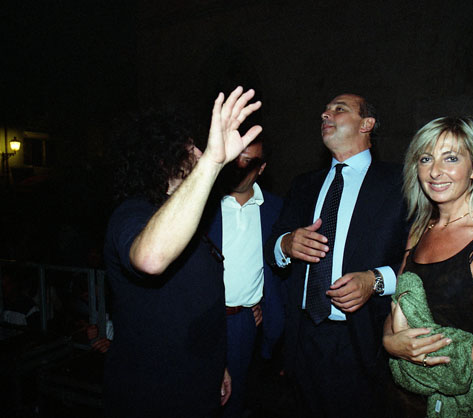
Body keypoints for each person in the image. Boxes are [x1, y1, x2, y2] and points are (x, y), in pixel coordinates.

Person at [102, 87, 262, 418]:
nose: (200, 151)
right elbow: (150, 259)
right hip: (152, 395)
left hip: (198, 385)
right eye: (190, 147)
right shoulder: (132, 213)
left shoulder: (190, 224)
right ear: (162, 159)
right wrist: (212, 162)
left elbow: (196, 304)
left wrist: (218, 366)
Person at [265, 93, 408, 418]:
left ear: (366, 124)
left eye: (339, 109)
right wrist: (287, 244)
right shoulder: (304, 184)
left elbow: (419, 259)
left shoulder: (399, 183)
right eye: (325, 110)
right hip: (303, 338)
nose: (325, 115)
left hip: (364, 339)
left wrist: (375, 280)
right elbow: (273, 247)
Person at [383, 117, 473, 416]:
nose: (435, 171)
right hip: (407, 402)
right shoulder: (419, 230)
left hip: (469, 404)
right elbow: (398, 307)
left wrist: (411, 349)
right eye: (425, 159)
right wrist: (390, 342)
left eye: (451, 158)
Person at [204, 136, 284, 418]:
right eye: (235, 158)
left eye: (248, 161)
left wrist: (260, 302)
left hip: (243, 322)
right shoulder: (203, 204)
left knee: (233, 401)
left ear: (262, 168)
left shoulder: (276, 209)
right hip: (200, 320)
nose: (239, 167)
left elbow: (279, 269)